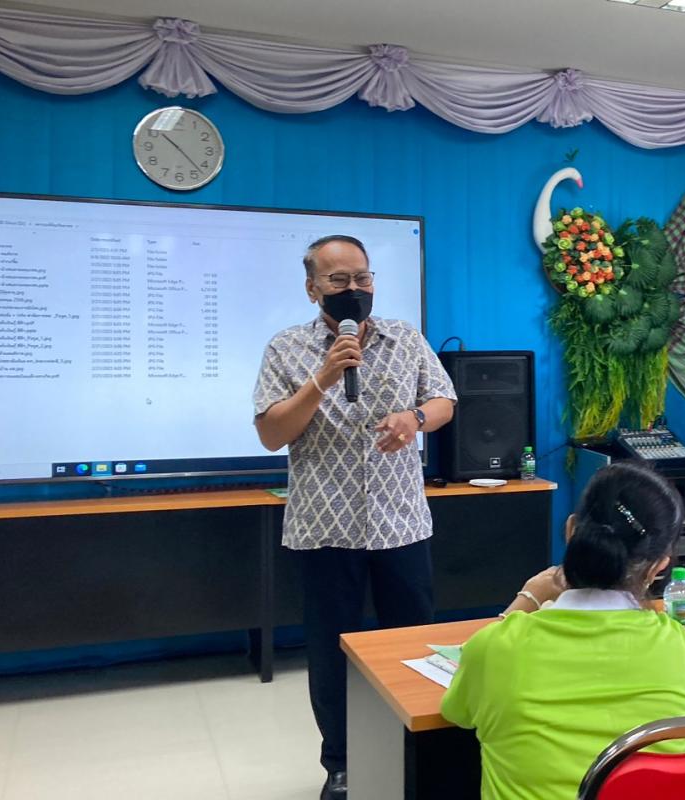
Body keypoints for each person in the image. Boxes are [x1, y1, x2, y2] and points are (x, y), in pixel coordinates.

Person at [252, 234, 456, 800]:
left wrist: (415, 418)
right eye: (339, 280)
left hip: (400, 523)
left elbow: (444, 400)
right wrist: (321, 378)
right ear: (312, 287)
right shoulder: (286, 347)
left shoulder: (405, 337)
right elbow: (271, 433)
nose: (354, 289)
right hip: (324, 527)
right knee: (331, 653)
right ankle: (341, 766)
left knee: (414, 645)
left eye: (362, 278)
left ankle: (419, 751)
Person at [442, 462, 685, 800]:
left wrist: (527, 598)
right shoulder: (675, 645)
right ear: (659, 565)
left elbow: (457, 712)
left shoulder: (499, 646)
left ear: (571, 530)